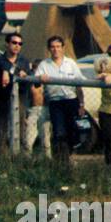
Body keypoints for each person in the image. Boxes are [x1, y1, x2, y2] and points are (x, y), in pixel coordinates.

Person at [36, 35, 83, 163]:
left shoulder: (71, 63)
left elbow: (79, 84)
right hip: (55, 102)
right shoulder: (44, 65)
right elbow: (36, 81)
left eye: (58, 46)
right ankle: (62, 160)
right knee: (59, 131)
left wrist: (81, 104)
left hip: (71, 100)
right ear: (49, 49)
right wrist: (40, 78)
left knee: (71, 130)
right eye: (52, 47)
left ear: (63, 48)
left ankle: (69, 154)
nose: (55, 49)